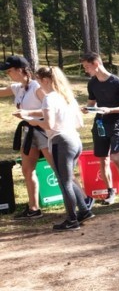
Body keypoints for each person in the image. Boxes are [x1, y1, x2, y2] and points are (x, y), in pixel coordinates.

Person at [14, 66, 94, 231]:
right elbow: (79, 122)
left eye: (38, 81)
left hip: (61, 141)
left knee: (64, 182)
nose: (38, 85)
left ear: (45, 80)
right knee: (68, 179)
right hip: (75, 140)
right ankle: (84, 210)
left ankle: (72, 220)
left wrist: (32, 121)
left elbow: (49, 124)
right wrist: (31, 115)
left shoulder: (49, 98)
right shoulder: (66, 96)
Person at [0, 55, 56, 219]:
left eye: (10, 71)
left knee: (58, 168)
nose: (8, 74)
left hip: (43, 130)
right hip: (28, 132)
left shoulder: (37, 86)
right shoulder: (18, 87)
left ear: (20, 70)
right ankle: (33, 208)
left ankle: (81, 201)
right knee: (27, 170)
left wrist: (27, 113)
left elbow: (50, 109)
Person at [80, 52, 119, 205]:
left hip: (116, 123)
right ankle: (110, 192)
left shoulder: (118, 83)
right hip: (100, 124)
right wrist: (86, 109)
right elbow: (91, 103)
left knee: (116, 158)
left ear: (96, 64)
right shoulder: (92, 83)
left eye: (87, 67)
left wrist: (110, 110)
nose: (86, 70)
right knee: (103, 159)